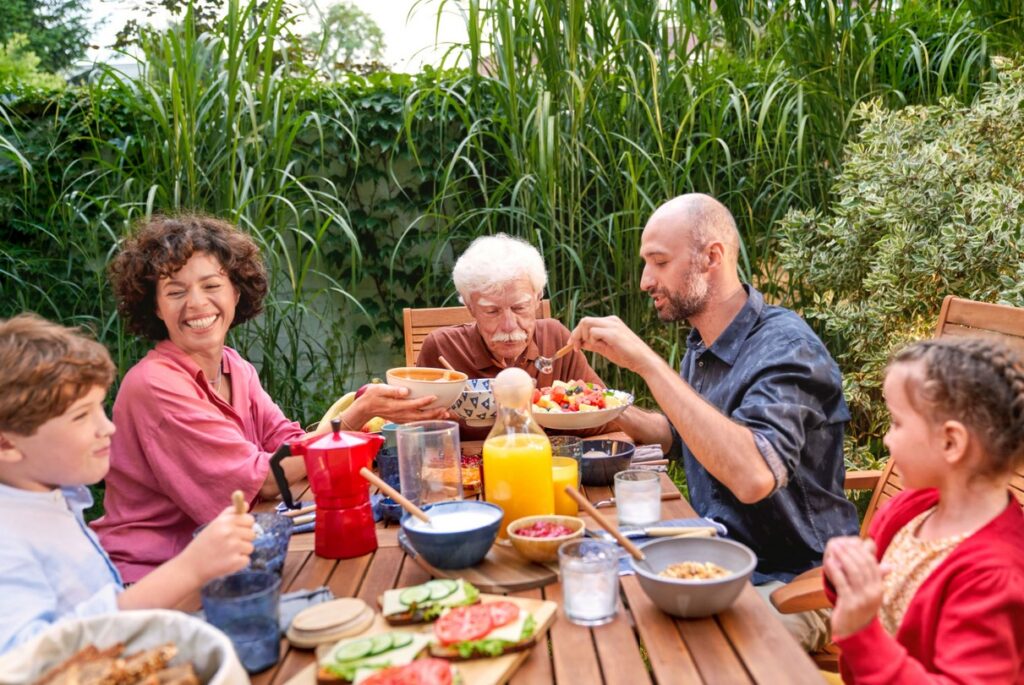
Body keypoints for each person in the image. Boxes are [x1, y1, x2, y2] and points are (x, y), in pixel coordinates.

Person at [569, 193, 859, 651]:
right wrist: (601, 405)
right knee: (597, 593)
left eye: (659, 262)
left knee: (680, 647)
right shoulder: (703, 344)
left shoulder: (786, 348)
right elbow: (681, 435)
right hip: (720, 558)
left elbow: (752, 475)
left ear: (712, 257)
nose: (645, 281)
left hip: (798, 583)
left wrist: (648, 364)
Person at [91, 214, 447, 581]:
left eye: (211, 285)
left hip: (234, 558)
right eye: (176, 292)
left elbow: (288, 445)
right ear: (155, 307)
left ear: (236, 291)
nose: (196, 304)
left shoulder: (235, 367)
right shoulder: (155, 385)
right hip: (155, 578)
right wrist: (356, 416)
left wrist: (367, 408)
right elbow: (262, 480)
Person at [0, 314, 255, 654]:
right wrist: (188, 569)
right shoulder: (8, 540)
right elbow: (24, 659)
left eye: (99, 409)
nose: (107, 429)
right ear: (7, 444)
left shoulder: (53, 495)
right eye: (80, 416)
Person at [823, 337, 1024, 684]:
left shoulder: (995, 577)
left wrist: (861, 633)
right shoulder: (910, 510)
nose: (886, 438)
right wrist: (845, 574)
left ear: (951, 442)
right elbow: (870, 595)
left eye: (897, 423)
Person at [416, 233, 605, 438]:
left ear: (537, 300)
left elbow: (605, 416)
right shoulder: (442, 348)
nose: (508, 325)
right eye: (492, 311)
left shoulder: (556, 341)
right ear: (471, 308)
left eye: (519, 307)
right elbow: (419, 432)